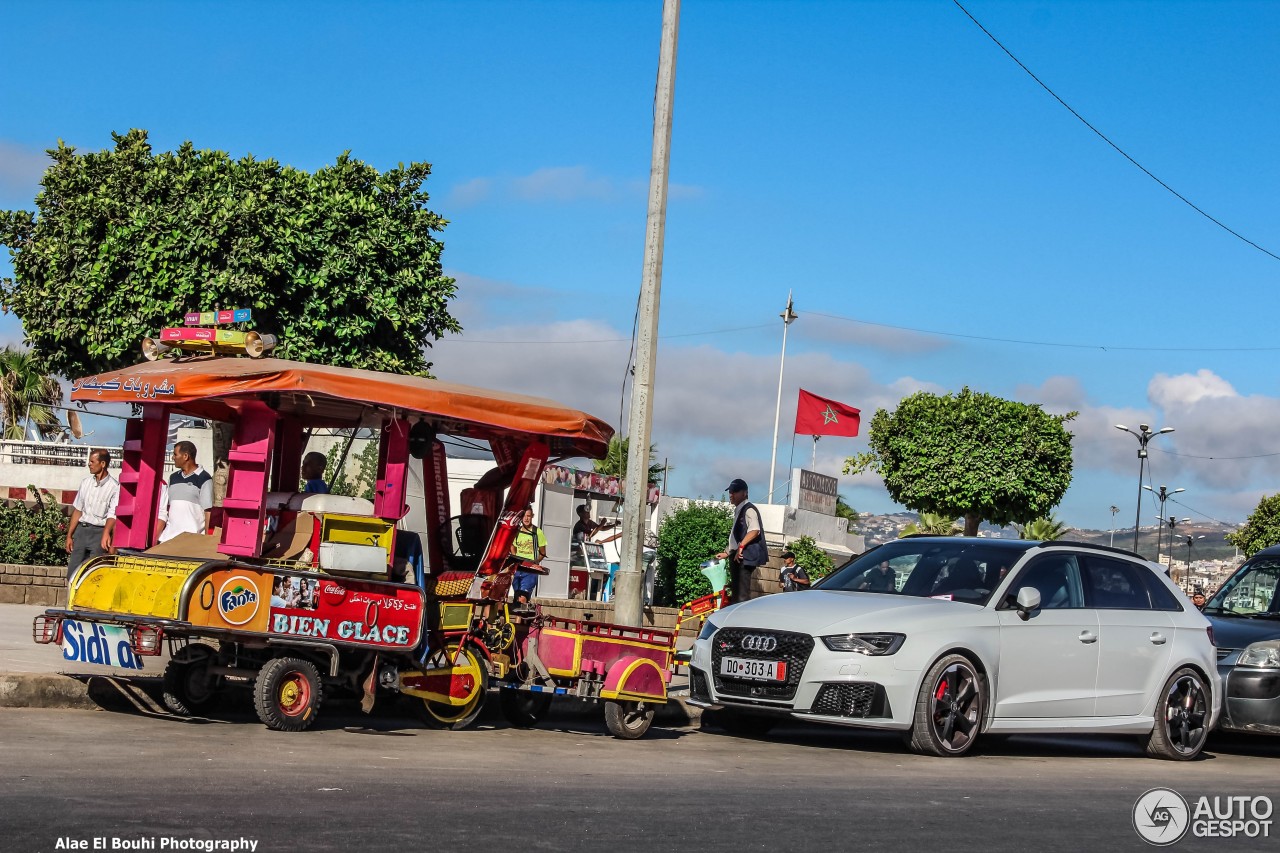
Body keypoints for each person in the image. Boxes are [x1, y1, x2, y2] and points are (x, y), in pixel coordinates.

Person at [65, 449, 120, 579]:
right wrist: (69, 535)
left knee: (93, 573)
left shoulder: (115, 487)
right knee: (73, 573)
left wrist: (107, 534)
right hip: (82, 530)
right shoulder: (85, 483)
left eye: (92, 461)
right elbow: (78, 510)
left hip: (99, 533)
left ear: (102, 464)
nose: (89, 464)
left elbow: (113, 514)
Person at [715, 478, 767, 602]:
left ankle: (739, 618)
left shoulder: (749, 509)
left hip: (744, 557)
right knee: (736, 592)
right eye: (730, 491)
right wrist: (728, 552)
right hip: (737, 555)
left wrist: (741, 547)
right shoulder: (739, 510)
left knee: (741, 594)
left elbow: (755, 530)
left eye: (735, 491)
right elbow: (735, 536)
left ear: (745, 493)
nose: (731, 494)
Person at [156, 440, 214, 544]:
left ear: (185, 456)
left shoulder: (204, 478)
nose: (173, 457)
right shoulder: (173, 478)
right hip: (168, 539)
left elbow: (208, 512)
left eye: (175, 454)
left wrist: (206, 541)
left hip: (192, 541)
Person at [510, 506, 547, 607]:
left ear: (532, 517)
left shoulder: (537, 532)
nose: (526, 519)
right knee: (517, 597)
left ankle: (521, 619)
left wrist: (534, 563)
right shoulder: (516, 531)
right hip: (518, 568)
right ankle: (520, 621)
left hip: (530, 570)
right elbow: (512, 545)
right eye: (524, 516)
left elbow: (543, 552)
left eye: (529, 516)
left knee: (523, 597)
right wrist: (514, 558)